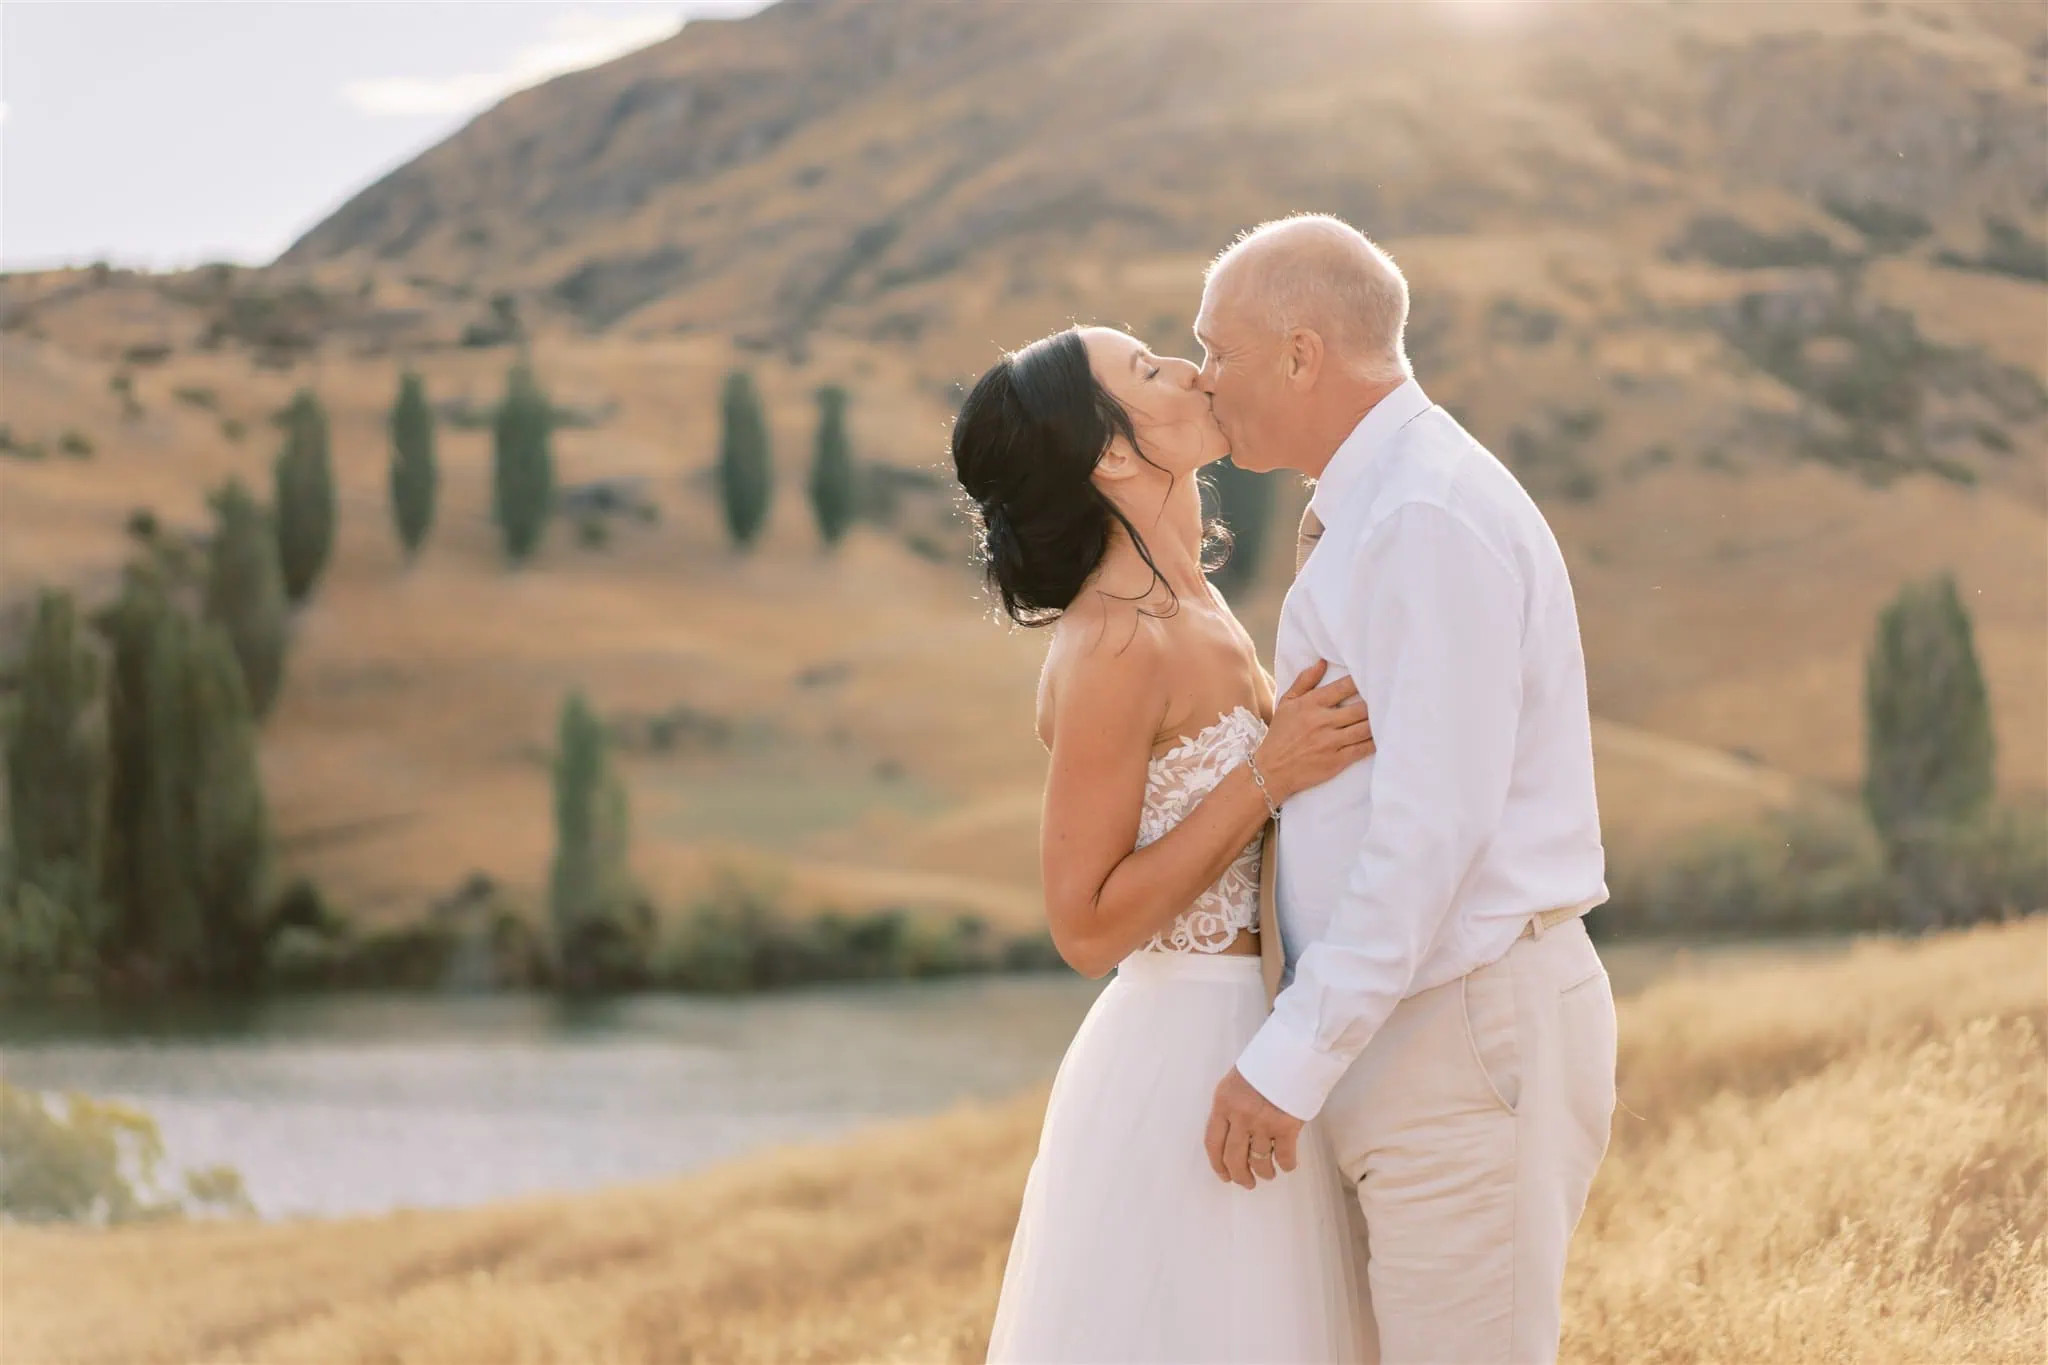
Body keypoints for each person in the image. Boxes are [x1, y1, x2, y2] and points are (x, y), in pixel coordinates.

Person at [1194, 214, 1619, 1365]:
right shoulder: (1384, 505)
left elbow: (1428, 831)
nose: (1198, 379)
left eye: (1214, 350)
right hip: (1414, 1026)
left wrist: (1289, 1058)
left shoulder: (1422, 515)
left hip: (1461, 1030)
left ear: (1298, 352)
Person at [952, 324, 1373, 1363]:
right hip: (1184, 1060)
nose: (1187, 371)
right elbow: (1083, 925)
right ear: (1107, 453)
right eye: (1146, 371)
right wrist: (1266, 775)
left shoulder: (1188, 594)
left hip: (1263, 1028)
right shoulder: (1114, 640)